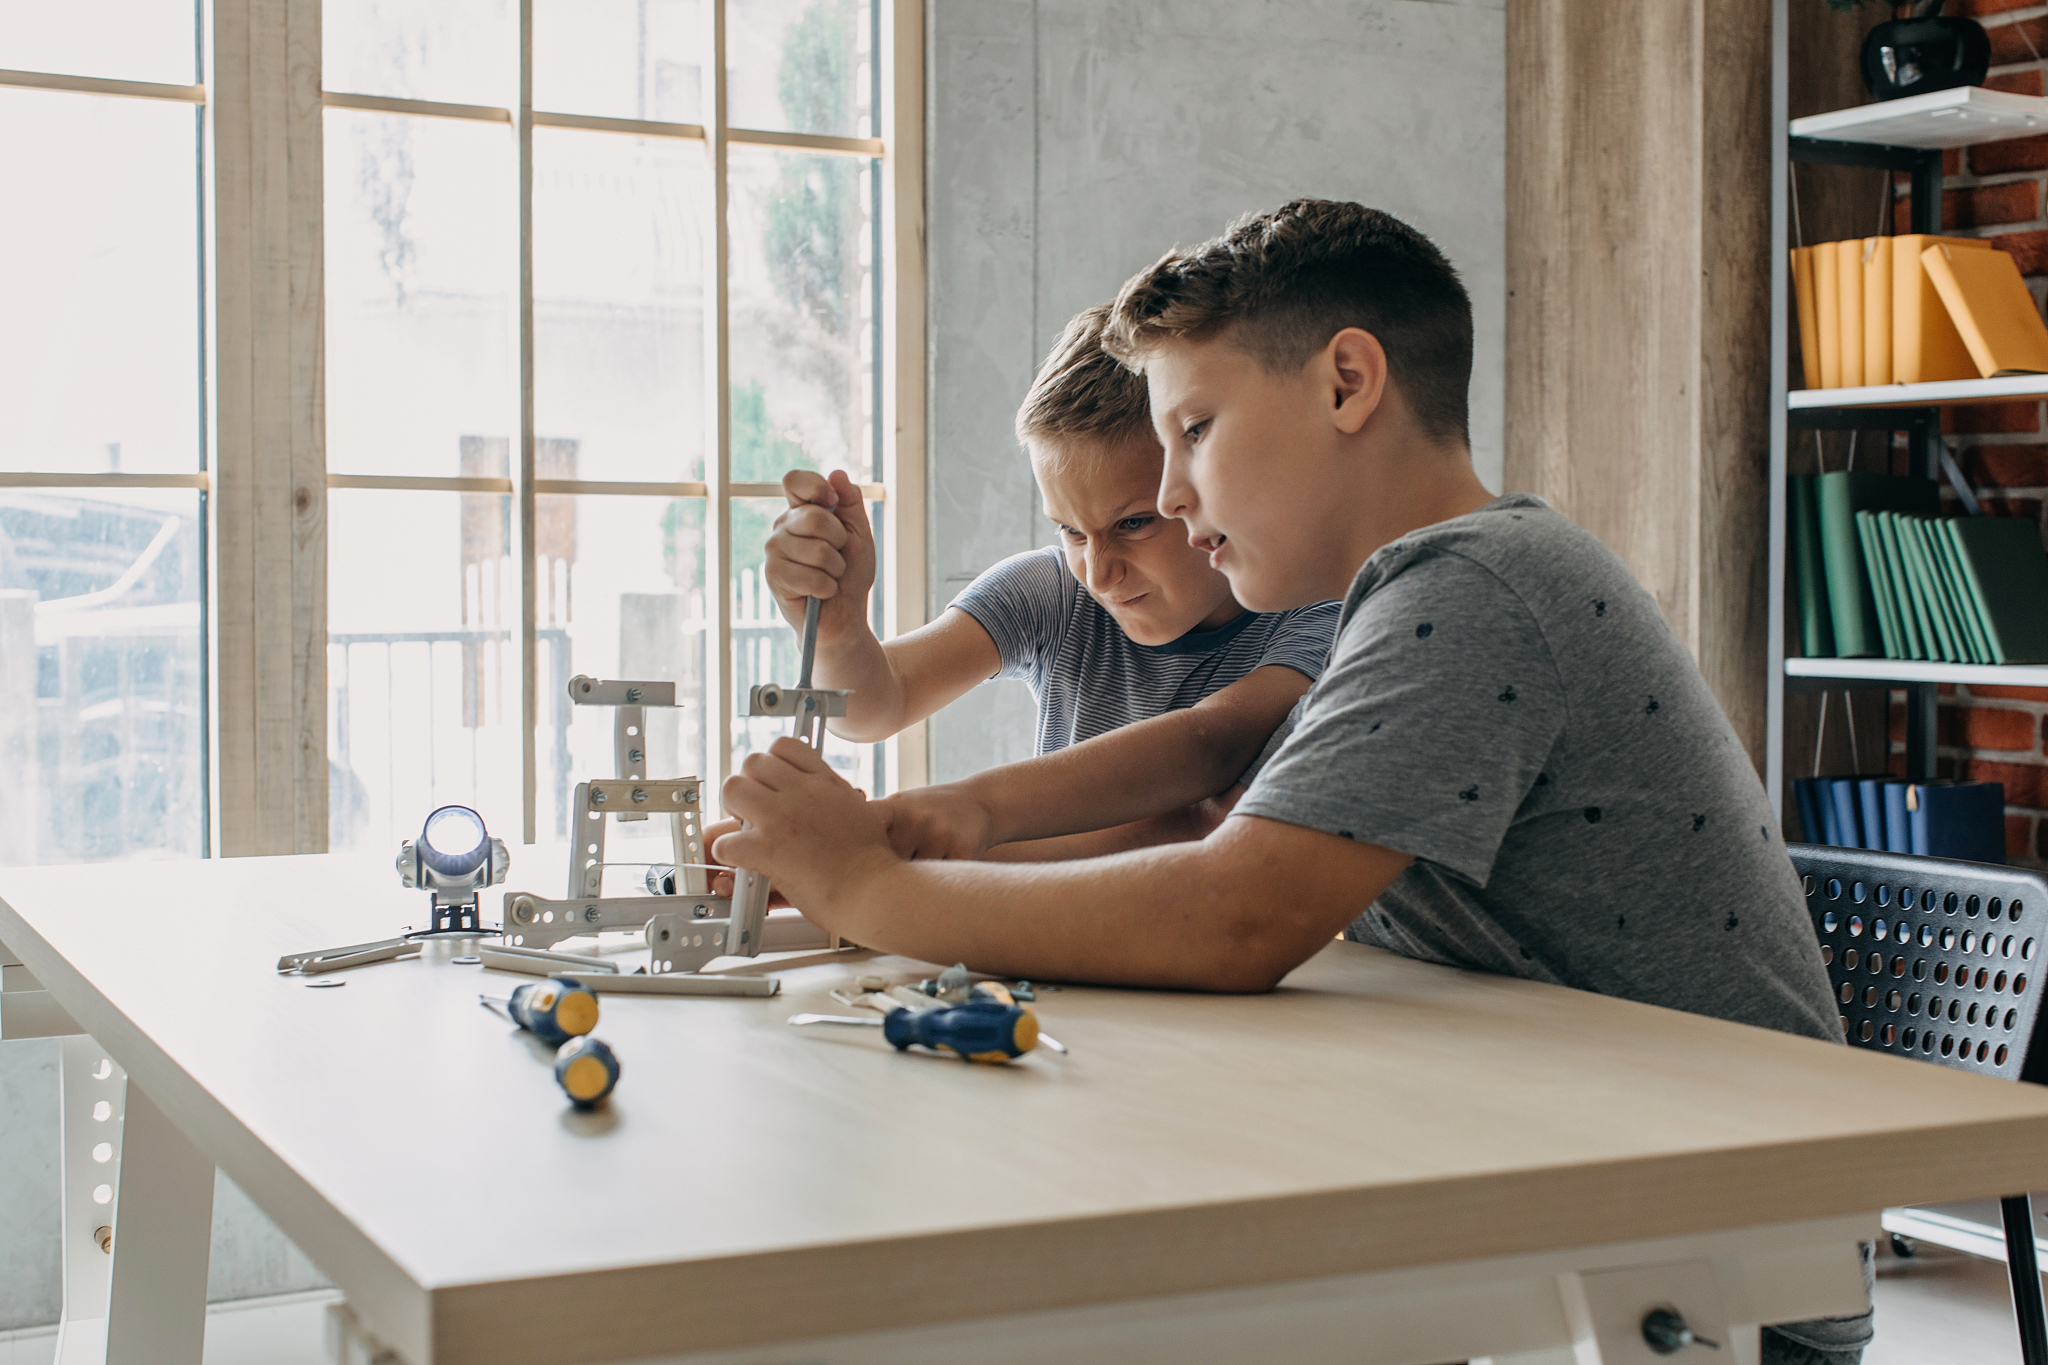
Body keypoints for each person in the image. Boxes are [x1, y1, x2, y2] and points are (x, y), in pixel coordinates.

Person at [715, 199, 1864, 1365]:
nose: (1167, 496)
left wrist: (865, 887)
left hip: (1715, 1289)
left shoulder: (1474, 589)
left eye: (1195, 430)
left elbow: (1234, 913)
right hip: (1580, 1209)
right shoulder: (1414, 594)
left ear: (1347, 383)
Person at [757, 303, 1337, 860]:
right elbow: (875, 706)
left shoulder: (1314, 611)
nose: (1100, 573)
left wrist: (948, 823)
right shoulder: (1055, 590)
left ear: (1199, 486)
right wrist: (838, 630)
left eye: (1133, 524)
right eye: (1071, 531)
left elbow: (1206, 749)